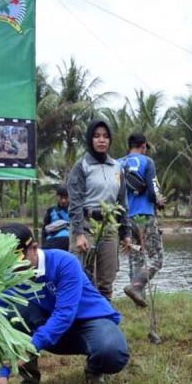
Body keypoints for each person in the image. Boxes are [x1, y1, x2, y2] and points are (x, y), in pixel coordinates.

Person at [0, 224, 130, 384]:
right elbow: (2, 323)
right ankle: (30, 381)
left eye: (18, 258)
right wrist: (2, 371)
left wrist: (31, 347)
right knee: (14, 311)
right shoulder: (8, 278)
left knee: (112, 352)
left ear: (34, 247)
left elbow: (64, 314)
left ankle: (94, 368)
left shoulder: (64, 262)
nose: (14, 268)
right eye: (7, 262)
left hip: (87, 322)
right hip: (50, 332)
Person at [67, 119, 129, 301]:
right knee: (81, 278)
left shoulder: (117, 167)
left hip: (109, 227)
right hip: (86, 225)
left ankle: (106, 322)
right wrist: (78, 233)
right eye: (96, 136)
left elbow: (122, 202)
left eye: (105, 136)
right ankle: (81, 323)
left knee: (106, 281)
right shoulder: (82, 166)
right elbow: (75, 201)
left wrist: (125, 232)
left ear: (110, 140)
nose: (101, 140)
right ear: (90, 139)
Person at [119, 132, 165, 307]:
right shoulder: (147, 162)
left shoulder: (118, 163)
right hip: (145, 215)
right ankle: (136, 287)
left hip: (125, 218)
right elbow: (153, 192)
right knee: (157, 258)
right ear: (144, 146)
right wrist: (159, 202)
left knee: (135, 258)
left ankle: (139, 302)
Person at [41, 186, 71, 251]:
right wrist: (43, 243)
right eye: (61, 198)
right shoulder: (51, 210)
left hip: (68, 243)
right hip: (52, 242)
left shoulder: (74, 211)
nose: (63, 201)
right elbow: (44, 229)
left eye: (66, 198)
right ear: (57, 197)